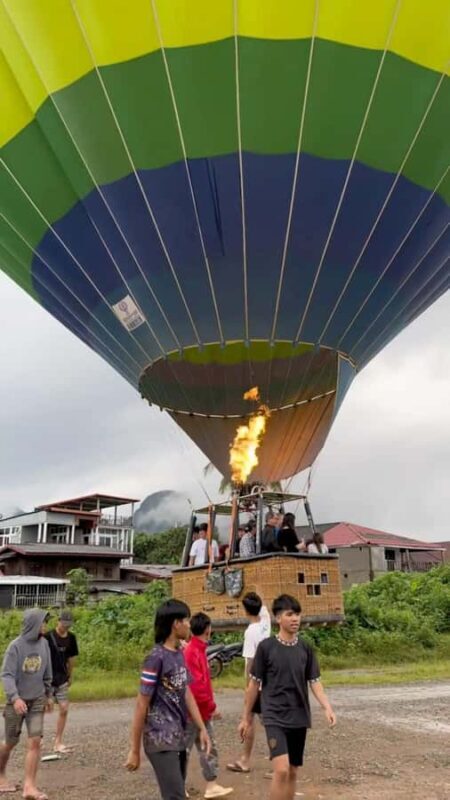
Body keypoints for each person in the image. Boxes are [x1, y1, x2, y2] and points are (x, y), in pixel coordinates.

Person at [238, 595, 336, 800]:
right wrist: (246, 717)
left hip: (299, 715)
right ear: (278, 618)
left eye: (298, 614)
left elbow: (314, 681)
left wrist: (327, 707)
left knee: (292, 771)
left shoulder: (306, 648)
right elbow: (254, 684)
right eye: (290, 614)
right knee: (281, 769)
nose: (295, 619)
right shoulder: (266, 648)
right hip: (274, 715)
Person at [125, 599, 211, 800]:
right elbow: (141, 704)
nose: (190, 624)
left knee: (176, 794)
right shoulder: (155, 658)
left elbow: (187, 692)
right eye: (186, 620)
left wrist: (202, 728)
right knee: (176, 796)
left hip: (178, 738)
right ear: (176, 624)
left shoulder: (180, 653)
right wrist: (134, 750)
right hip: (160, 739)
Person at [0, 609, 53, 800]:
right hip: (17, 702)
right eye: (42, 622)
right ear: (33, 624)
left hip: (37, 699)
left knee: (35, 741)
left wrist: (49, 694)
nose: (45, 626)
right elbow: (6, 675)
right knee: (10, 741)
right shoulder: (15, 647)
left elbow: (48, 671)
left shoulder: (45, 644)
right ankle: (0, 775)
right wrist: (15, 698)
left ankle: (29, 786)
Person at [184, 613, 233, 799]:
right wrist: (212, 706)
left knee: (207, 748)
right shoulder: (193, 651)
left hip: (200, 711)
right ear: (208, 629)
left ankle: (211, 785)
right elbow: (197, 687)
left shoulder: (197, 648)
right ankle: (177, 786)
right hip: (193, 712)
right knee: (186, 750)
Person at [227, 592, 271, 775]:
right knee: (261, 720)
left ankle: (279, 762)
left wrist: (248, 688)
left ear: (245, 610)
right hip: (269, 680)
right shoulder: (266, 622)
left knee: (254, 720)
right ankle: (245, 759)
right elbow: (264, 606)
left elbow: (250, 663)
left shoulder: (250, 631)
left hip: (257, 683)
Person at [45, 610, 79, 754]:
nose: (65, 627)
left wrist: (70, 675)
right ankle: (37, 738)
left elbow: (71, 658)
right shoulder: (47, 637)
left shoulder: (71, 638)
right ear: (58, 621)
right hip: (47, 679)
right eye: (63, 624)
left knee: (64, 708)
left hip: (62, 678)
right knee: (43, 709)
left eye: (68, 625)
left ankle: (58, 741)